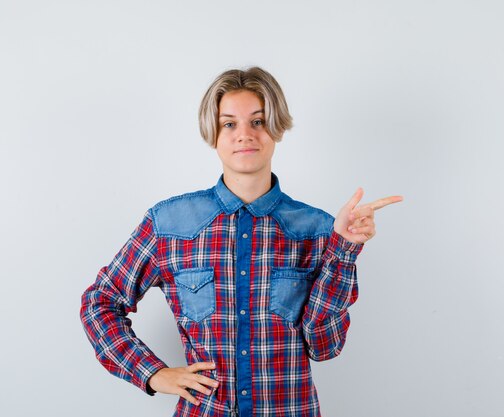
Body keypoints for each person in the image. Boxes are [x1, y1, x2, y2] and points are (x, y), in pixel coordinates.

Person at [80, 66, 402, 417]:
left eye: (258, 121)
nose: (244, 134)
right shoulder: (168, 224)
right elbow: (101, 302)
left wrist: (343, 249)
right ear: (213, 133)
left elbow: (324, 347)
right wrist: (153, 373)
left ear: (276, 128)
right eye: (230, 123)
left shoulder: (319, 229)